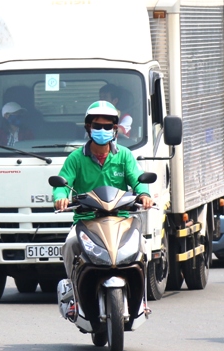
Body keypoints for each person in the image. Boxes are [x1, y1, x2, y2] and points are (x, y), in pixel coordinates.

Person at [52, 101, 152, 317]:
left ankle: (141, 299)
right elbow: (61, 184)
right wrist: (60, 198)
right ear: (88, 127)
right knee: (69, 245)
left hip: (121, 219)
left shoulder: (124, 156)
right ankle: (74, 295)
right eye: (98, 126)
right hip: (86, 220)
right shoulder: (76, 158)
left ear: (115, 129)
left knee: (144, 246)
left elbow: (137, 179)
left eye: (108, 127)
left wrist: (144, 194)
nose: (103, 131)